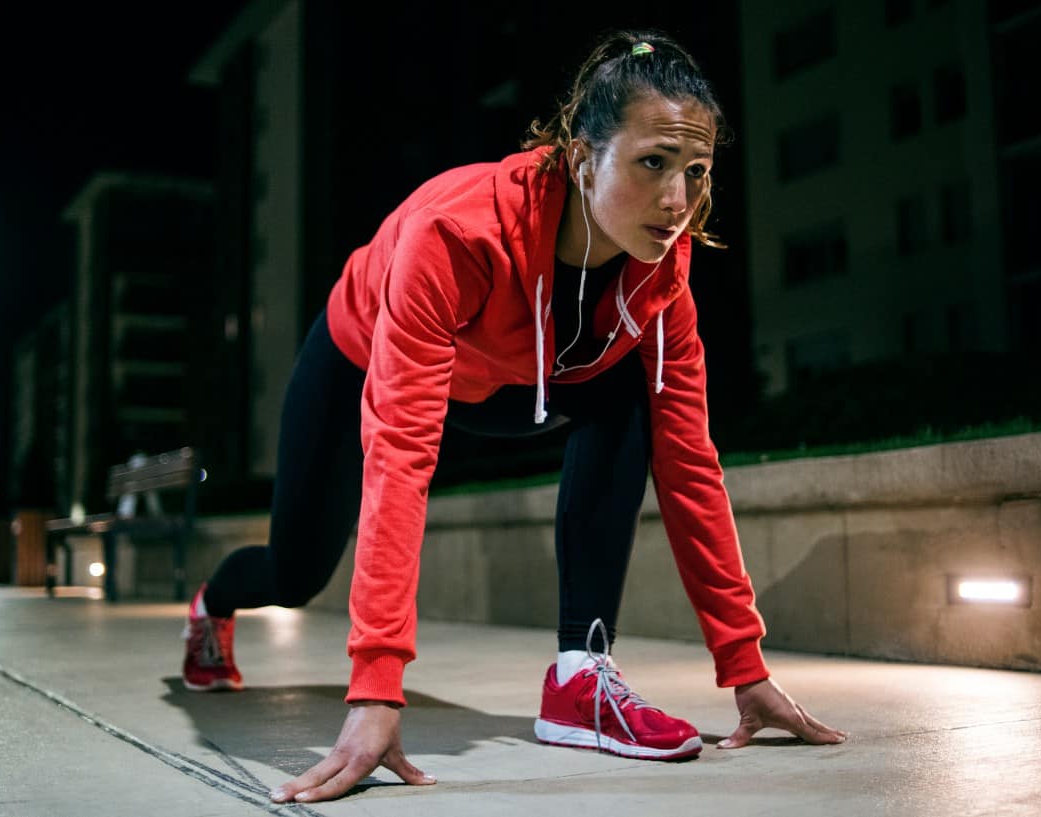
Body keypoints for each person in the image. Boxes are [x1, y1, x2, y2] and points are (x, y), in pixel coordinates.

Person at [179, 29, 846, 804]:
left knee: (626, 396)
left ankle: (580, 674)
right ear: (581, 153)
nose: (677, 201)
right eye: (653, 163)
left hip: (514, 377)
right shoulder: (457, 234)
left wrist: (745, 666)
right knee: (294, 572)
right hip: (361, 351)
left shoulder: (665, 282)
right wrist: (375, 690)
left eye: (696, 172)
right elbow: (400, 456)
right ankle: (213, 605)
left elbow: (692, 467)